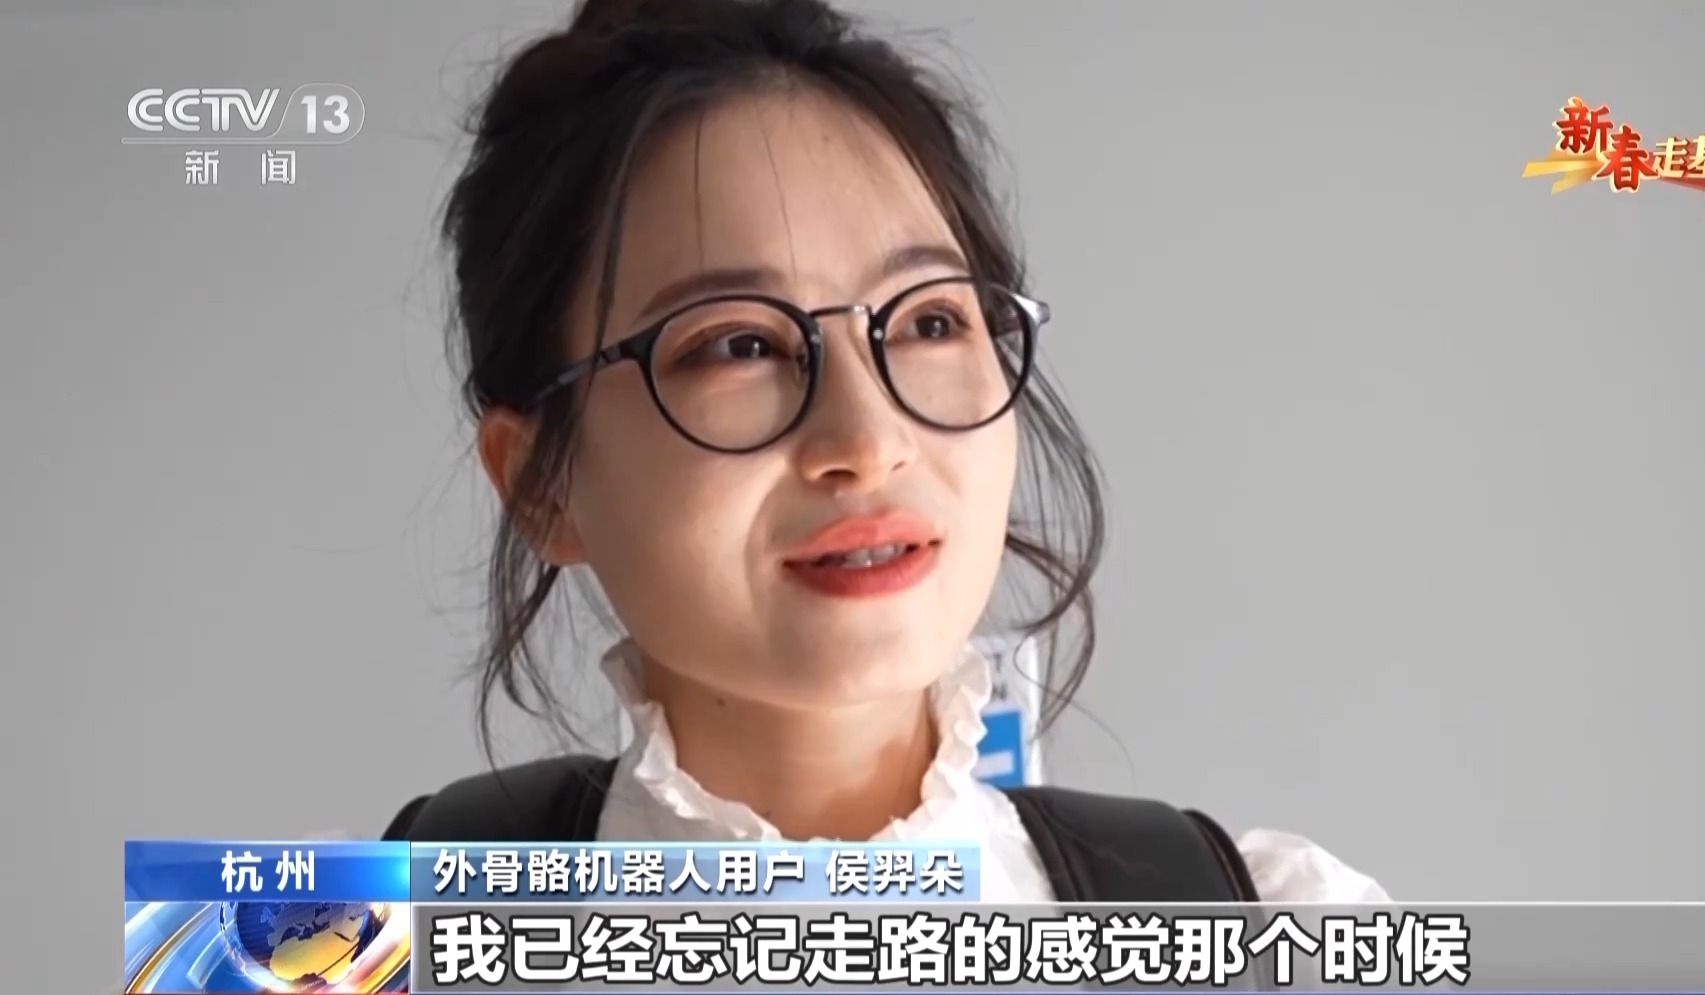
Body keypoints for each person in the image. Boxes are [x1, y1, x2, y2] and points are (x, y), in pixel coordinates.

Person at [388, 0, 1386, 904]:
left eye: (929, 322)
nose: (867, 443)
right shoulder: (349, 944)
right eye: (738, 345)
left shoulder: (1277, 926)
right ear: (540, 481)